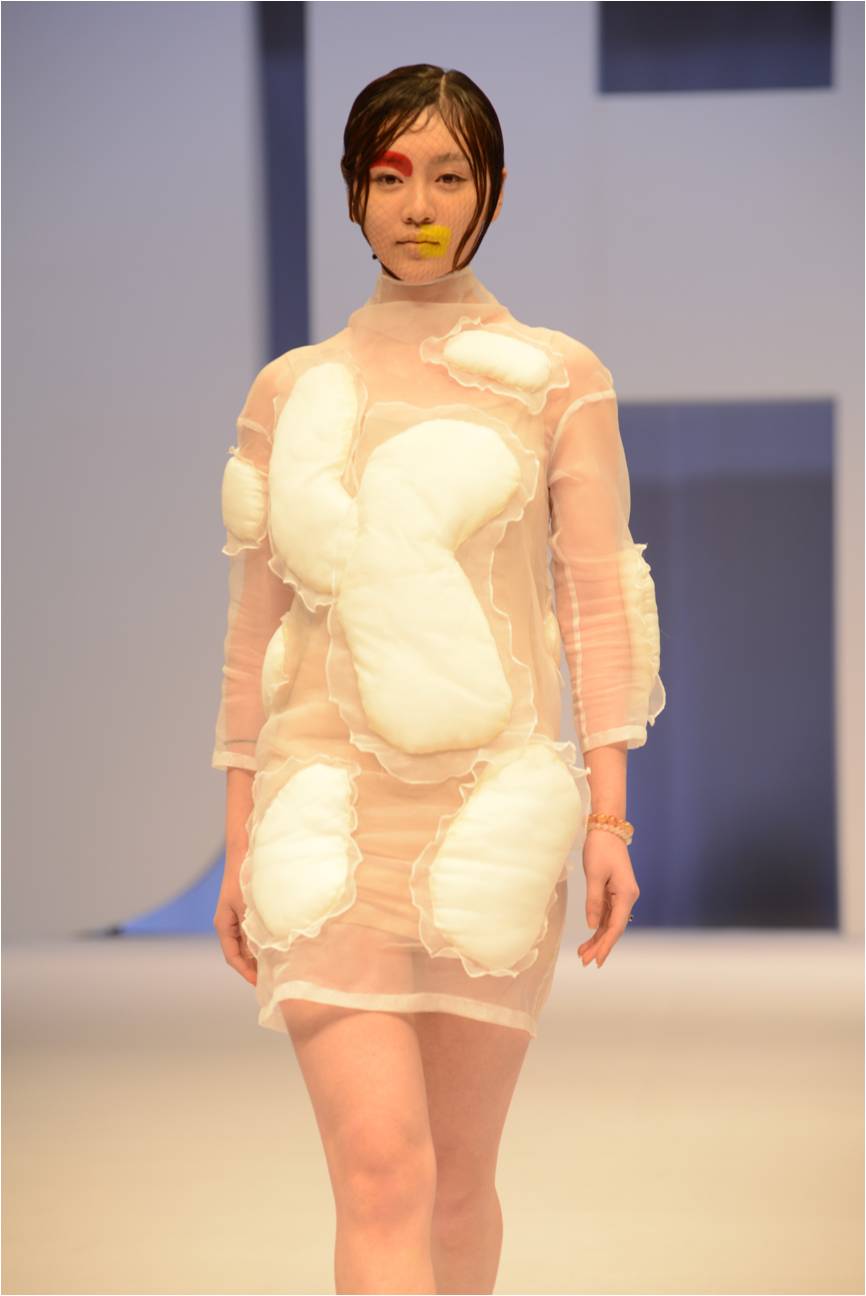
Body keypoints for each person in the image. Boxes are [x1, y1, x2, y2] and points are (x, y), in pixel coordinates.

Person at [212, 63, 665, 1296]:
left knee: (458, 1181)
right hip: (323, 820)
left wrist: (609, 820)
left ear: (493, 193)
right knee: (381, 1173)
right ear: (353, 193)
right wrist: (239, 837)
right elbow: (254, 627)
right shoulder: (289, 391)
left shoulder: (558, 379)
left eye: (449, 175)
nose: (417, 204)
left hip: (491, 822)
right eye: (390, 175)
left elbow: (595, 597)